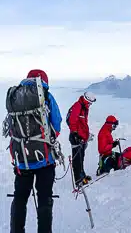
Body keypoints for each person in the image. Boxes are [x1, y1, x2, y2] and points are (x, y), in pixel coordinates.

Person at [5, 69, 63, 233]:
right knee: (44, 199)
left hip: (22, 160)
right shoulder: (46, 95)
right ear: (43, 81)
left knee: (20, 198)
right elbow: (57, 124)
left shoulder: (13, 95)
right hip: (44, 159)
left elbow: (11, 128)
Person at [65, 92, 95, 189]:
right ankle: (78, 181)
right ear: (86, 100)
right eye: (90, 102)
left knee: (81, 157)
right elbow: (72, 121)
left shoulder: (84, 108)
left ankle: (82, 176)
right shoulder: (78, 106)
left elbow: (83, 123)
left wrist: (86, 136)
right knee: (77, 159)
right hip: (76, 138)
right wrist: (75, 133)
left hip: (81, 138)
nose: (90, 105)